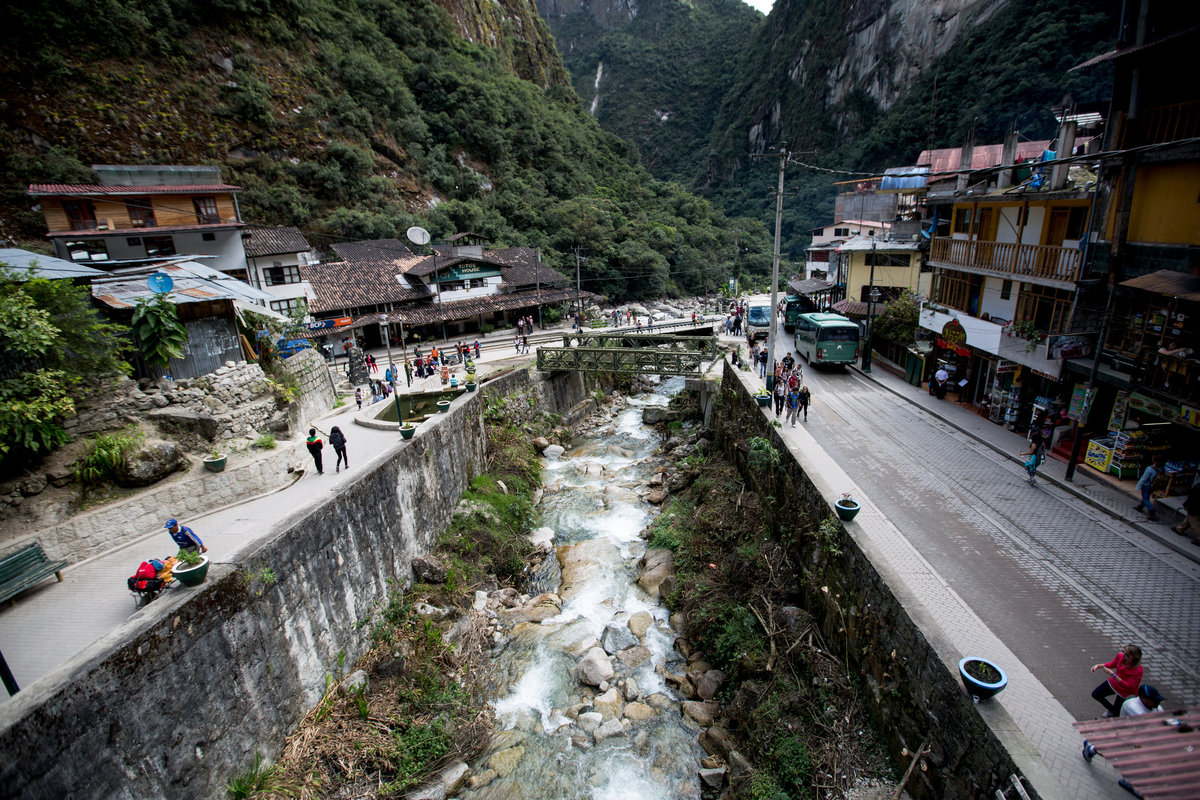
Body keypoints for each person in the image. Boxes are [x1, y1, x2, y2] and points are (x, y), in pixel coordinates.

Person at [1090, 644, 1143, 717]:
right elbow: (1112, 664)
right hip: (1114, 684)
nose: (1123, 655)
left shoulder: (1138, 670)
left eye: (1127, 655)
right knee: (1096, 694)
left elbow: (1129, 686)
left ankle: (1114, 713)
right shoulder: (1120, 656)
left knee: (1116, 714)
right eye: (1123, 651)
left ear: (1134, 658)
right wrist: (1098, 666)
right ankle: (1112, 710)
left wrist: (1113, 675)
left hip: (1125, 691)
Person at [1134, 455, 1165, 521]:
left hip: (1147, 485)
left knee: (1145, 498)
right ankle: (1140, 506)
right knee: (1146, 496)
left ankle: (1151, 510)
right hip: (1154, 486)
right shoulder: (1162, 468)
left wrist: (1138, 486)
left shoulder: (1150, 468)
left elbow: (1144, 478)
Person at [1172, 479, 1200, 546]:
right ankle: (1180, 529)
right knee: (1188, 518)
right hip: (1195, 507)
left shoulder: (1198, 487)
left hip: (1195, 508)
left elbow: (1193, 498)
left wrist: (1186, 504)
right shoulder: (1198, 485)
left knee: (1195, 523)